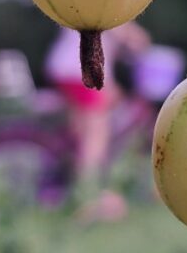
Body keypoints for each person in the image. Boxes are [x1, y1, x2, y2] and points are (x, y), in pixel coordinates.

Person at [44, 23, 151, 220]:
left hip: (68, 68)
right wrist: (138, 41)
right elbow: (129, 34)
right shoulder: (106, 4)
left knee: (82, 131)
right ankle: (88, 193)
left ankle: (69, 182)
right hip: (80, 70)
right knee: (97, 132)